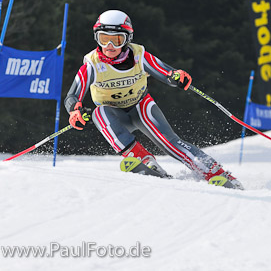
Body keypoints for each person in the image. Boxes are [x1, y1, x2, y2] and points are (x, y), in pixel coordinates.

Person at [64, 10, 243, 190]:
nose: (109, 45)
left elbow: (166, 72)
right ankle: (142, 158)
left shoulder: (139, 56)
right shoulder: (92, 64)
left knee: (170, 142)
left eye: (116, 39)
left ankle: (215, 172)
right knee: (99, 113)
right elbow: (72, 96)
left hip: (140, 108)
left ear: (127, 39)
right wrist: (75, 111)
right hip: (115, 115)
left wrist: (176, 77)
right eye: (103, 39)